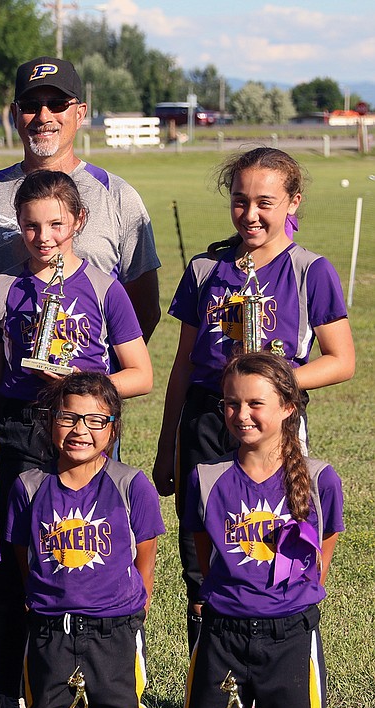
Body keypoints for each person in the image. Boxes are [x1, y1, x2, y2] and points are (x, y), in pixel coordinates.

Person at [0, 169, 151, 708]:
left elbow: (141, 374)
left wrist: (81, 387)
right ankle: (15, 698)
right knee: (13, 566)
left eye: (55, 223)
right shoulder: (1, 287)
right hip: (24, 430)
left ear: (78, 222)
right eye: (30, 225)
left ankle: (108, 690)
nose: (43, 235)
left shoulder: (103, 287)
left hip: (86, 428)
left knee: (88, 552)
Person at [153, 147, 354, 650]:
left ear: (292, 202)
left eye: (265, 201)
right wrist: (166, 445)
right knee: (202, 558)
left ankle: (285, 679)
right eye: (240, 201)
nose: (251, 214)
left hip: (275, 429)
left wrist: (275, 384)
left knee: (276, 548)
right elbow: (182, 366)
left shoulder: (311, 270)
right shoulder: (206, 268)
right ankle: (212, 693)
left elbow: (342, 359)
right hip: (205, 420)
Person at [179, 353, 341, 708]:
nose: (241, 414)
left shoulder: (320, 477)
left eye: (255, 404)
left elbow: (323, 550)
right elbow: (205, 552)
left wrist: (284, 600)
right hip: (222, 634)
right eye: (231, 403)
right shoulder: (208, 477)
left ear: (288, 406)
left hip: (288, 634)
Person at [0, 56, 161, 341]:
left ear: (80, 113)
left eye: (57, 105)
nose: (44, 116)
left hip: (89, 380)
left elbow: (144, 309)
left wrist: (100, 372)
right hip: (5, 383)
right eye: (31, 106)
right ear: (14, 113)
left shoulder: (118, 196)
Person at [7, 372, 162, 708]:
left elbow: (145, 553)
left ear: (113, 428)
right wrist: (40, 599)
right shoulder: (28, 485)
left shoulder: (131, 484)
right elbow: (24, 555)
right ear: (49, 421)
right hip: (51, 628)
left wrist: (136, 606)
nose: (80, 430)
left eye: (95, 420)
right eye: (68, 417)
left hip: (114, 627)